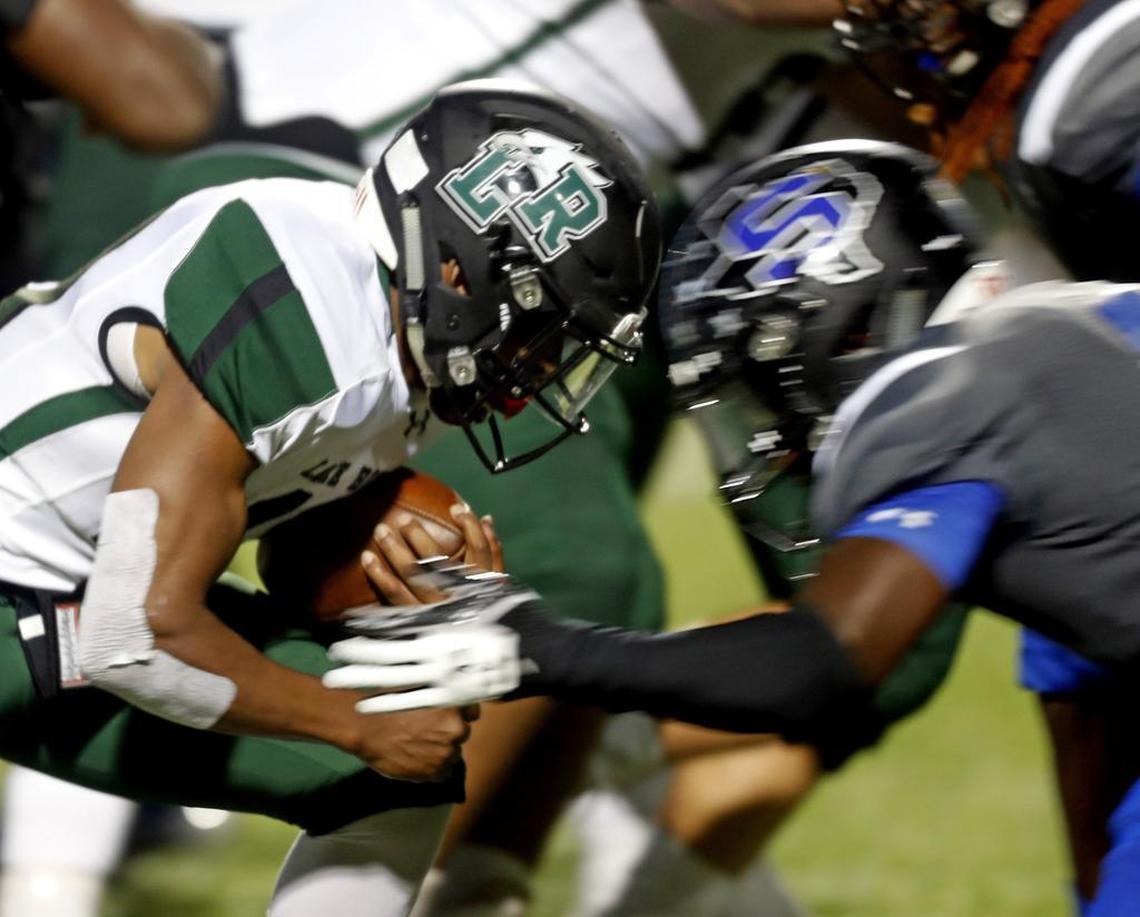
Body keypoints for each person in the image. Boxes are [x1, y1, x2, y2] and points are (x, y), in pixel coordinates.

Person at [324, 139, 1140, 910]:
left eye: (767, 386)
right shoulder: (1091, 334)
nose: (775, 433)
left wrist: (538, 645)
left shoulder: (938, 394)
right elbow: (1094, 708)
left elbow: (826, 662)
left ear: (847, 330)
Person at [0, 79, 660, 917]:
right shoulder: (303, 303)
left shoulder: (392, 327)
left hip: (81, 595)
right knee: (376, 743)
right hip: (40, 582)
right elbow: (136, 633)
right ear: (460, 267)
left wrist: (432, 612)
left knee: (398, 777)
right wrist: (351, 721)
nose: (533, 371)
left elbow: (283, 549)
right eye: (537, 328)